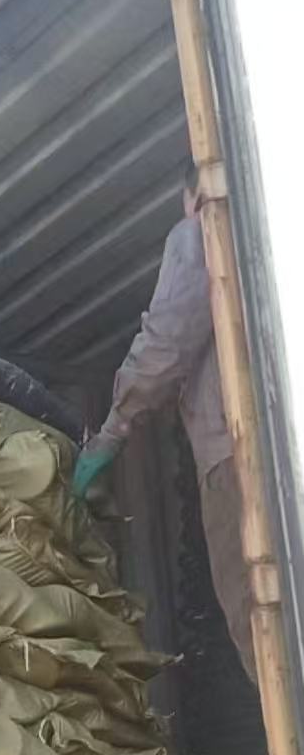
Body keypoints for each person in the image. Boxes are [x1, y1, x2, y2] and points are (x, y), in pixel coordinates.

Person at [73, 163, 256, 684]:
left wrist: (112, 431)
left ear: (192, 193)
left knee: (259, 617)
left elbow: (167, 340)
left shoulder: (204, 230)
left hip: (236, 455)